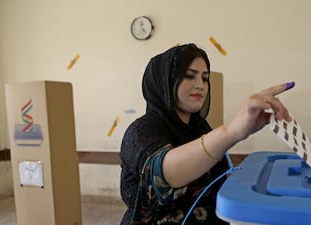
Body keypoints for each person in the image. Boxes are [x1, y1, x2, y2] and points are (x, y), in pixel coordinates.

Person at [120, 43, 294, 225]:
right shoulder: (142, 130)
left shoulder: (200, 129)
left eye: (205, 78)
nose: (200, 85)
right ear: (163, 81)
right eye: (189, 76)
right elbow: (163, 174)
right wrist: (231, 131)